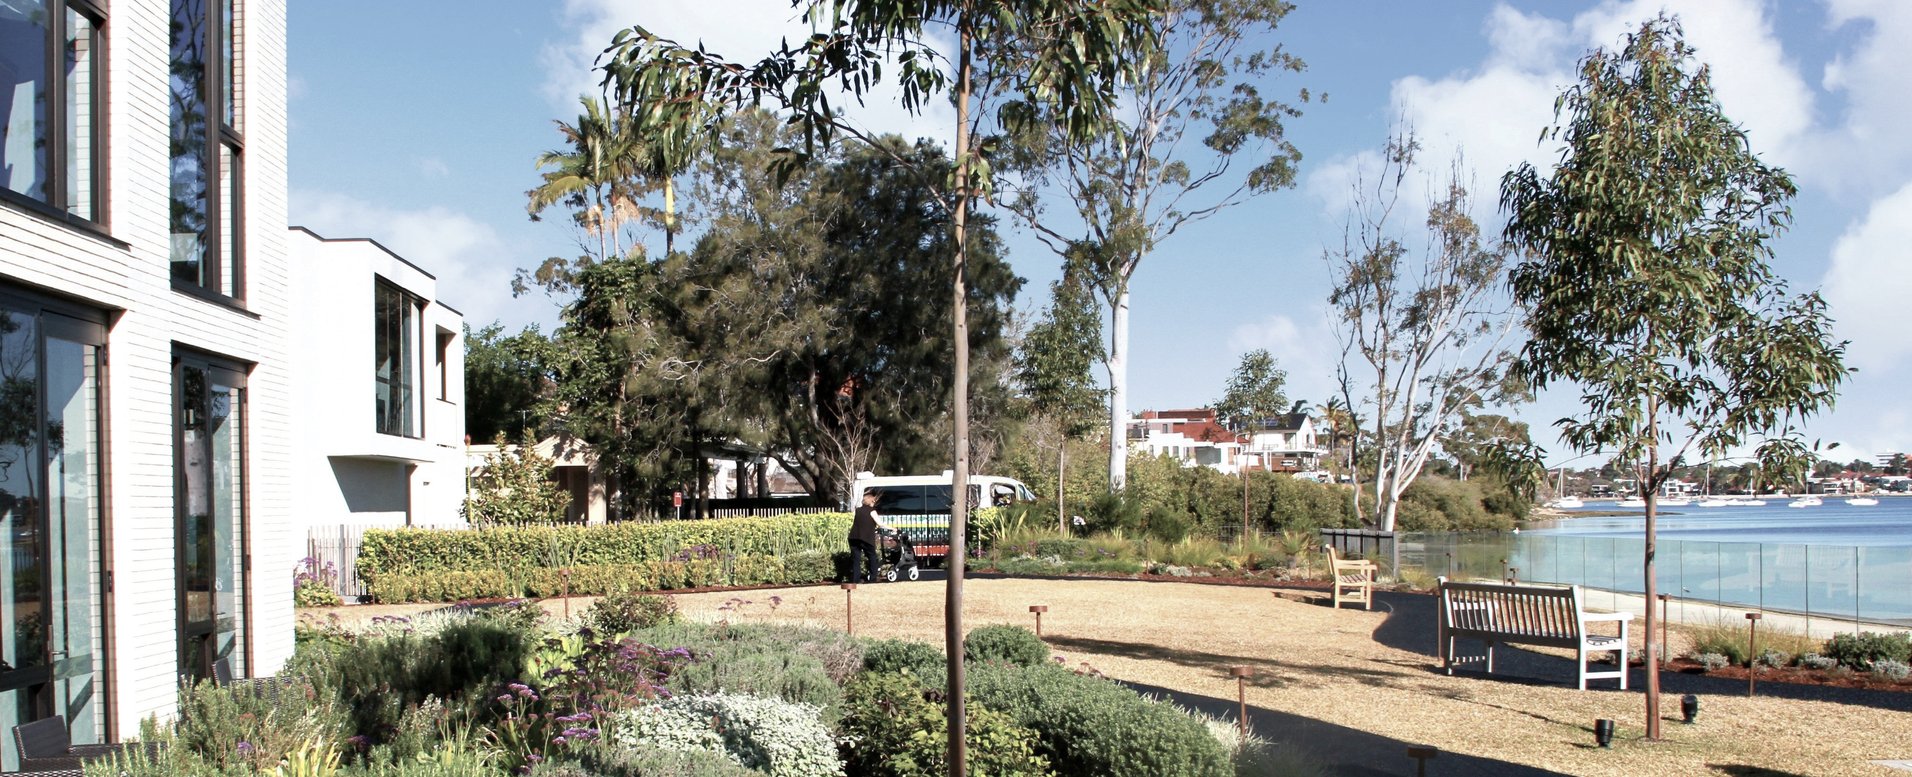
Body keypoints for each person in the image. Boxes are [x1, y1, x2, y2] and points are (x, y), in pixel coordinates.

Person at [849, 489, 892, 583]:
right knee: (872, 557)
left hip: (853, 537)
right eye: (874, 500)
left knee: (856, 559)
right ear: (872, 501)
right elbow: (880, 524)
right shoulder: (872, 511)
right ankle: (873, 578)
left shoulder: (858, 510)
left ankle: (855, 580)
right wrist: (893, 528)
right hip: (866, 538)